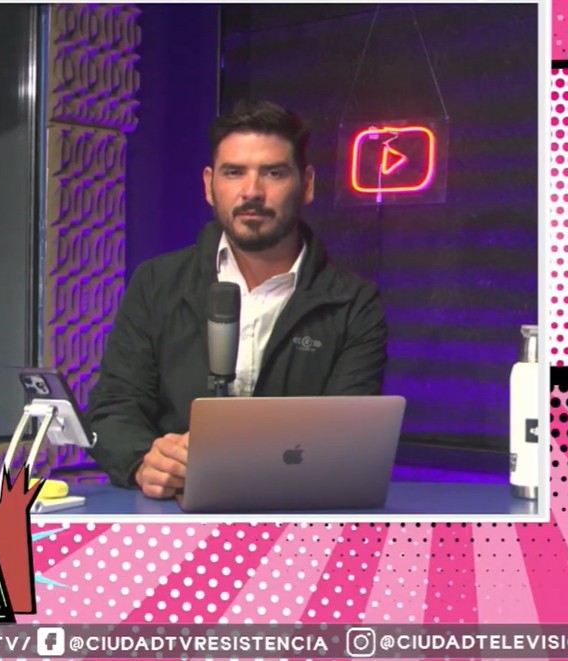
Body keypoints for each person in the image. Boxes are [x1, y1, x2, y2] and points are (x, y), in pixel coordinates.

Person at [86, 99, 388, 498]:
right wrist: (143, 461)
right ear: (209, 185)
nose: (252, 192)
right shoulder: (157, 283)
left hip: (297, 514)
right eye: (234, 172)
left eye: (274, 173)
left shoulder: (353, 304)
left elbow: (348, 439)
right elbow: (113, 408)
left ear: (307, 185)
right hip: (171, 515)